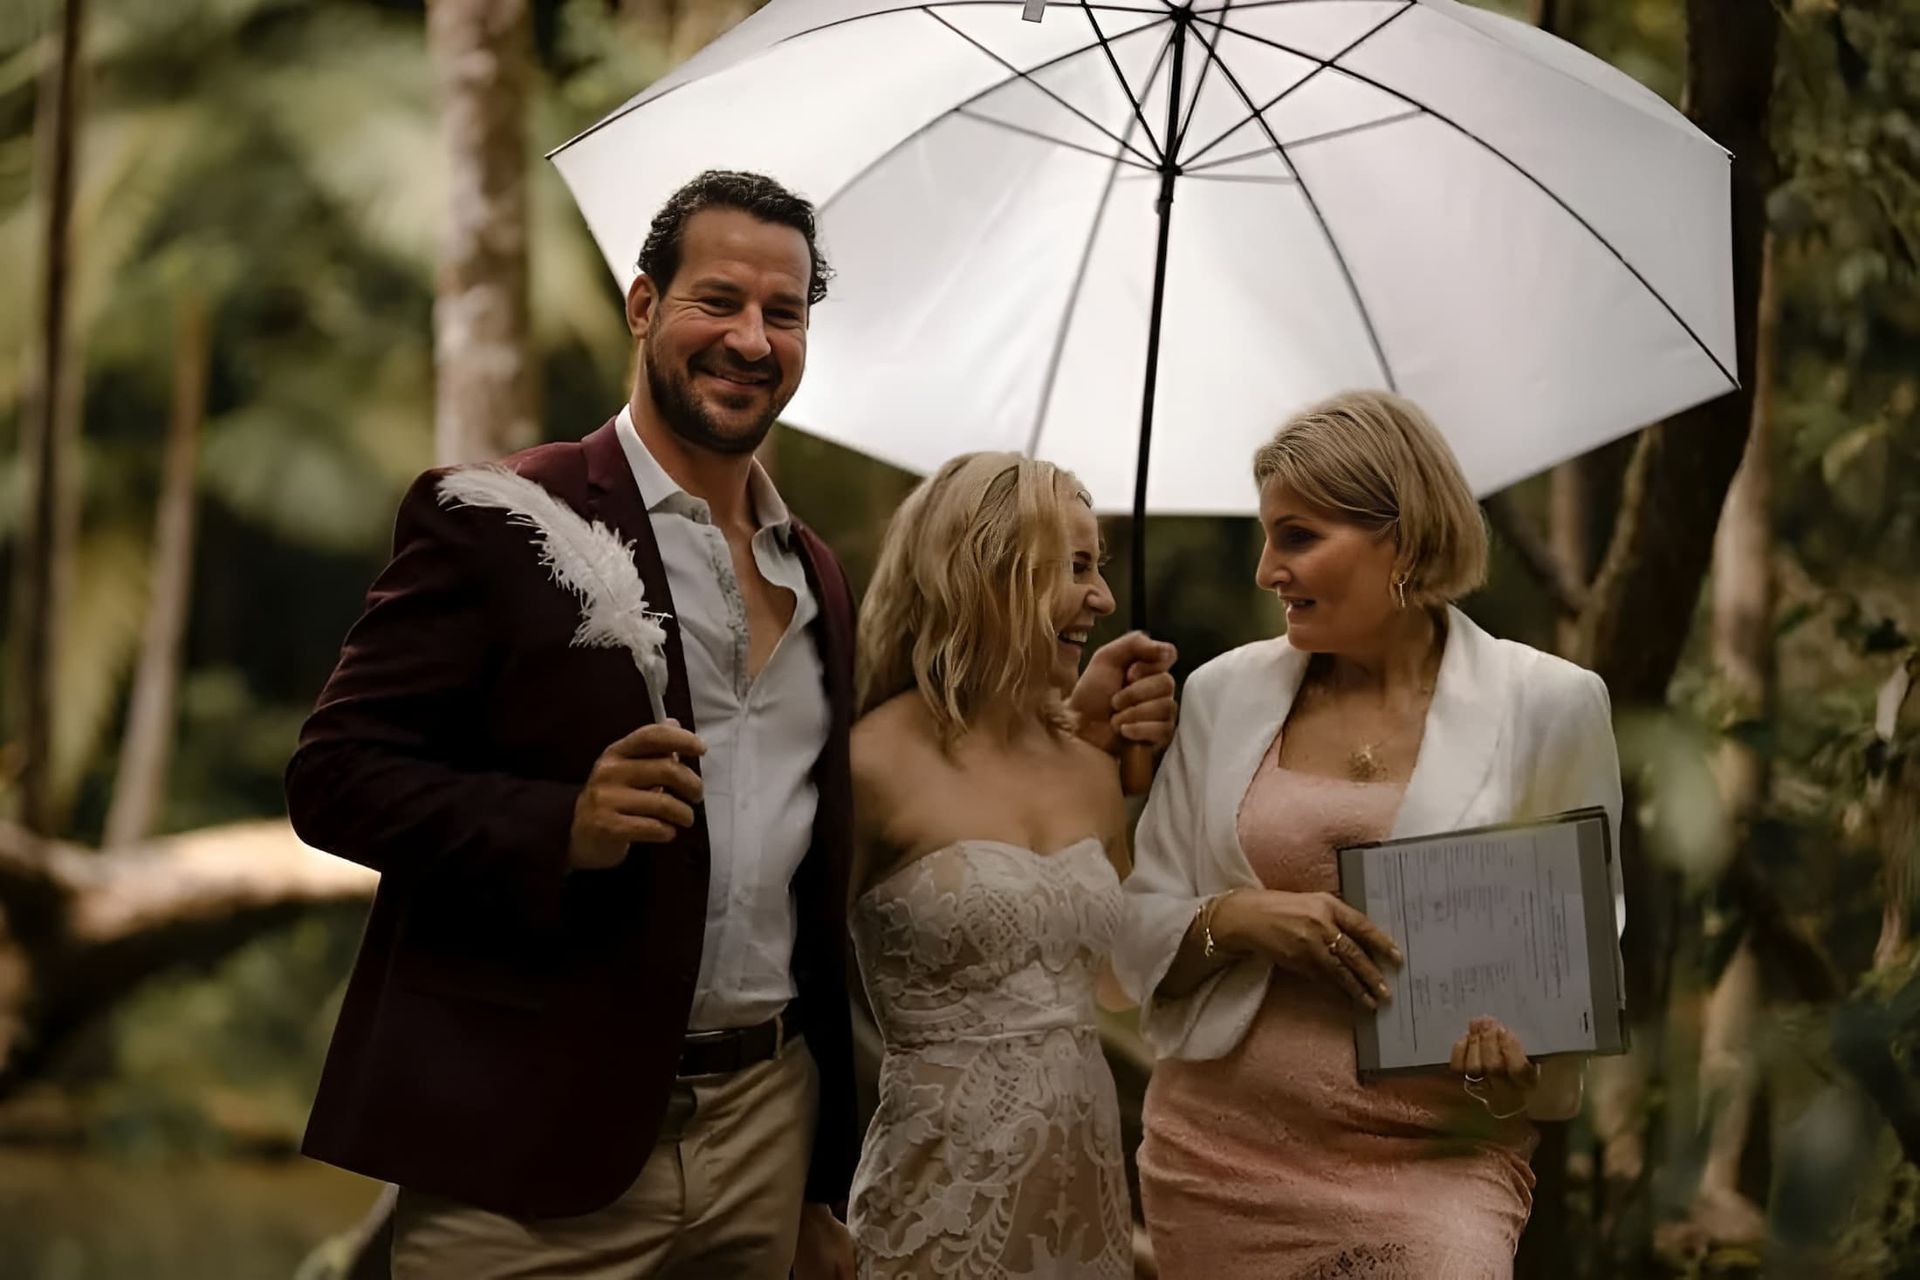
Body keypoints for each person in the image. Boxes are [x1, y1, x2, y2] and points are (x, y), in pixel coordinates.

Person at [286, 170, 1174, 1280]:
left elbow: (824, 891)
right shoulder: (503, 518)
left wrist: (815, 1175)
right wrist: (562, 820)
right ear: (643, 305)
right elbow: (334, 775)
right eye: (719, 300)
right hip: (530, 1140)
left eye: (784, 313)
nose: (751, 338)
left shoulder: (821, 578)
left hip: (765, 1132)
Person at [1114, 390, 1625, 1279]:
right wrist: (1240, 919)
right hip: (1218, 1162)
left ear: (1406, 539)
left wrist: (1514, 1055)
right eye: (1268, 536)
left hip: (1435, 1165)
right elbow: (1134, 929)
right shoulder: (1222, 695)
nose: (1268, 569)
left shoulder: (1551, 704)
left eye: (1299, 536)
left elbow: (1576, 959)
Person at [846, 452, 1173, 1279]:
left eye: (1099, 569)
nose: (1100, 598)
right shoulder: (868, 765)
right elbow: (801, 1003)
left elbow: (1121, 984)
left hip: (1086, 1210)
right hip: (932, 1209)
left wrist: (1138, 786)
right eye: (1077, 567)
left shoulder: (1091, 766)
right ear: (984, 570)